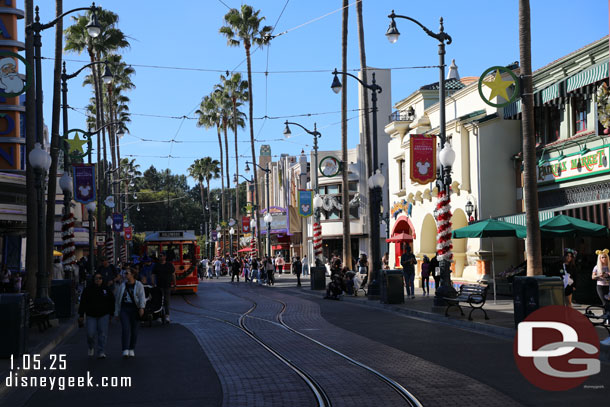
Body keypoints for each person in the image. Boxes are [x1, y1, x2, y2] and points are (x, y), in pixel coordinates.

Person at [78, 272, 115, 359]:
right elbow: (83, 302)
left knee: (103, 334)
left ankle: (101, 350)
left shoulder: (106, 289)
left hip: (104, 314)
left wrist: (112, 313)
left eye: (100, 278)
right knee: (90, 334)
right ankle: (91, 346)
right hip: (91, 315)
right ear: (93, 280)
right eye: (96, 278)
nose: (98, 280)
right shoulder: (88, 290)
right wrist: (81, 315)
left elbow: (111, 301)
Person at [114, 268, 146, 358]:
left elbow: (142, 297)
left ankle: (131, 348)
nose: (125, 275)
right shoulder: (122, 285)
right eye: (124, 273)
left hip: (134, 308)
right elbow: (117, 300)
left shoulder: (139, 285)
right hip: (124, 308)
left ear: (132, 274)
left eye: (127, 273)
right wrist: (116, 312)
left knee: (134, 330)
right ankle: (125, 349)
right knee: (125, 329)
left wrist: (141, 308)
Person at [152, 252, 175, 323]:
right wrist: (153, 283)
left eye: (161, 256)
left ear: (165, 257)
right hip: (159, 285)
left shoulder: (169, 265)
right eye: (159, 256)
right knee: (158, 301)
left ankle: (167, 315)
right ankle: (158, 316)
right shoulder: (156, 265)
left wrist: (175, 284)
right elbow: (153, 274)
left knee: (166, 301)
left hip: (167, 286)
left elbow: (173, 275)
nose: (160, 257)